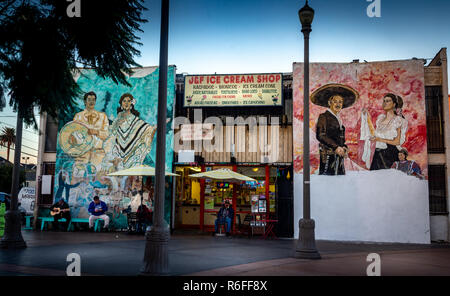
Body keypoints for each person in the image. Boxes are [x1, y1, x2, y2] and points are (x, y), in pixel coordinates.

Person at [103, 93, 156, 171]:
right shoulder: (118, 117)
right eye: (124, 101)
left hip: (132, 152)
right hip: (117, 150)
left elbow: (143, 128)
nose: (126, 103)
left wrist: (152, 128)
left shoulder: (134, 118)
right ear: (121, 103)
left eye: (128, 101)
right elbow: (111, 133)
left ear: (131, 103)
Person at [366, 93, 408, 170]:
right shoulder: (380, 119)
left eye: (388, 101)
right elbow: (374, 133)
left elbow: (397, 142)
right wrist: (367, 119)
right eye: (384, 101)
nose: (384, 103)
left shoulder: (399, 120)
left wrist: (379, 139)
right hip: (378, 154)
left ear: (394, 104)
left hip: (391, 153)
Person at [73, 91, 109, 163]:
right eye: (89, 99)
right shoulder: (78, 116)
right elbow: (74, 134)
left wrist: (96, 132)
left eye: (93, 100)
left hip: (97, 152)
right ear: (85, 101)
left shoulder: (103, 116)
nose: (91, 102)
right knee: (78, 173)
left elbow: (106, 134)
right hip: (82, 152)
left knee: (98, 174)